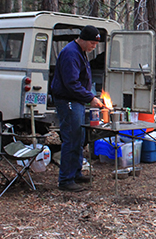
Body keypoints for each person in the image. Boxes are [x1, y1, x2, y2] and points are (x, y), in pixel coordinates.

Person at [51, 25, 104, 192]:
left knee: (79, 138)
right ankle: (65, 179)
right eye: (93, 44)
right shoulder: (71, 53)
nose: (94, 47)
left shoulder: (80, 52)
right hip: (68, 101)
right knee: (71, 138)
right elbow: (71, 83)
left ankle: (76, 173)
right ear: (84, 40)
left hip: (77, 102)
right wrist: (90, 98)